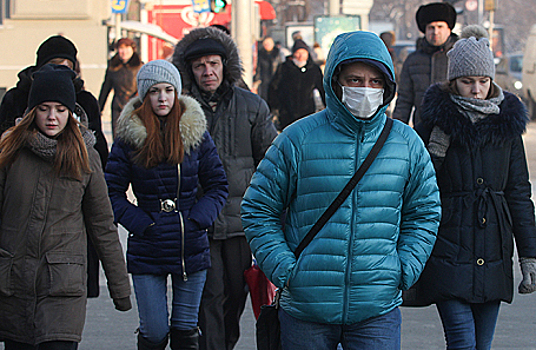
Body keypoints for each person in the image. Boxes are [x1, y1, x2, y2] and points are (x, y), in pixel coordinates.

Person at [241, 30, 441, 349]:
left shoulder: (406, 144)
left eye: (375, 82)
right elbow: (257, 209)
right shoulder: (297, 139)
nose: (365, 89)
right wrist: (286, 269)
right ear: (336, 82)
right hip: (306, 309)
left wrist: (404, 268)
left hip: (377, 309)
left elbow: (425, 212)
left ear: (387, 86)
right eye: (354, 79)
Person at [415, 25, 536, 350]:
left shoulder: (507, 125)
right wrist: (435, 151)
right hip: (448, 246)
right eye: (468, 82)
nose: (476, 89)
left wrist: (529, 255)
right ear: (453, 81)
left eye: (483, 81)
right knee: (463, 342)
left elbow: (519, 193)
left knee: (482, 345)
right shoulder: (435, 122)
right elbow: (418, 189)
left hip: (493, 249)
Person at [0, 64, 132, 350]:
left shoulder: (86, 158)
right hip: (13, 285)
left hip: (62, 287)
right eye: (44, 108)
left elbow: (102, 226)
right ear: (31, 110)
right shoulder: (10, 152)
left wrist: (120, 288)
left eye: (60, 109)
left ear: (71, 112)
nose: (51, 117)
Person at [105, 59, 228, 350]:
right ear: (144, 96)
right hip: (148, 246)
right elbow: (110, 192)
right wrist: (141, 223)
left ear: (177, 93)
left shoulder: (194, 133)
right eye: (155, 91)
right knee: (155, 332)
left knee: (186, 333)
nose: (162, 98)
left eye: (169, 90)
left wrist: (198, 219)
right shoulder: (129, 138)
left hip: (190, 246)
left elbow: (217, 184)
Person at [171, 26, 278, 350]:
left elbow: (272, 162)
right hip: (199, 222)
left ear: (225, 65)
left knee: (235, 297)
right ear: (189, 70)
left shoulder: (252, 106)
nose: (207, 72)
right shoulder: (179, 109)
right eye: (200, 65)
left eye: (213, 64)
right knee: (210, 297)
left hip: (241, 224)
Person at [0, 34, 109, 298]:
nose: (52, 116)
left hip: (68, 210)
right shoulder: (17, 98)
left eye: (67, 65)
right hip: (22, 208)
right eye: (54, 63)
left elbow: (100, 155)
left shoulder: (84, 99)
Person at [392, 2, 458, 126]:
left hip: (455, 131)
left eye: (440, 26)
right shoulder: (413, 61)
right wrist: (396, 133)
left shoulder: (460, 57)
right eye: (431, 27)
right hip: (423, 130)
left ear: (449, 28)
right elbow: (404, 102)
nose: (435, 32)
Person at [268, 39, 325, 131]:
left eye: (303, 52)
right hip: (287, 111)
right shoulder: (284, 68)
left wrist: (329, 106)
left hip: (307, 112)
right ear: (293, 54)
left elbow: (323, 88)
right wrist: (274, 106)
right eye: (298, 53)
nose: (301, 56)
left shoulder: (313, 69)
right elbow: (273, 87)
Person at [98, 37, 143, 139]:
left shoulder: (140, 66)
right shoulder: (113, 67)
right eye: (121, 48)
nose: (124, 52)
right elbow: (106, 88)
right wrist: (99, 108)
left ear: (132, 49)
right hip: (118, 107)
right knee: (118, 139)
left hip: (135, 108)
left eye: (127, 48)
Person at [253, 36, 282, 101]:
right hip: (264, 81)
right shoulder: (260, 54)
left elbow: (281, 67)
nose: (267, 45)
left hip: (276, 81)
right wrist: (256, 80)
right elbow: (258, 68)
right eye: (265, 43)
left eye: (269, 43)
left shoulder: (278, 54)